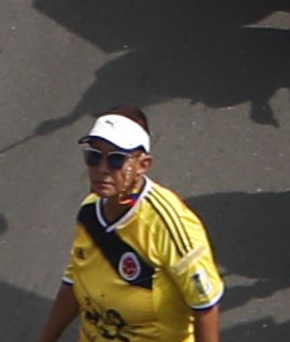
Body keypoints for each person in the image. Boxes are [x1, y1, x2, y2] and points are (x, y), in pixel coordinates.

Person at [32, 110, 224, 342]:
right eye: (94, 157)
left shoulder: (170, 225)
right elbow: (75, 279)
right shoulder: (90, 210)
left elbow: (205, 306)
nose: (102, 168)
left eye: (116, 159)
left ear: (143, 165)